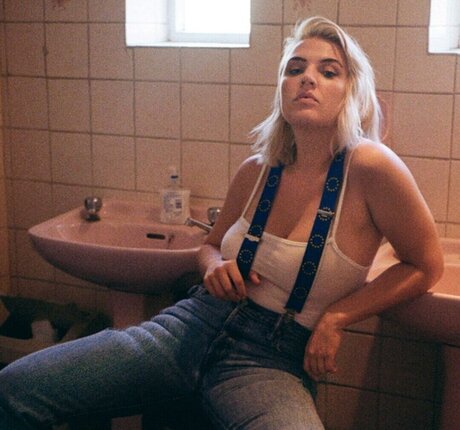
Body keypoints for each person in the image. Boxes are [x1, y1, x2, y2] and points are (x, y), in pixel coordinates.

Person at [0, 16, 443, 430]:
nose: (308, 79)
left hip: (271, 359)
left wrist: (338, 316)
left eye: (329, 72)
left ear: (352, 91)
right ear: (281, 88)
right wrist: (213, 266)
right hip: (189, 325)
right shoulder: (258, 169)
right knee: (16, 387)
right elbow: (210, 245)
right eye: (295, 69)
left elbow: (426, 266)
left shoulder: (371, 168)